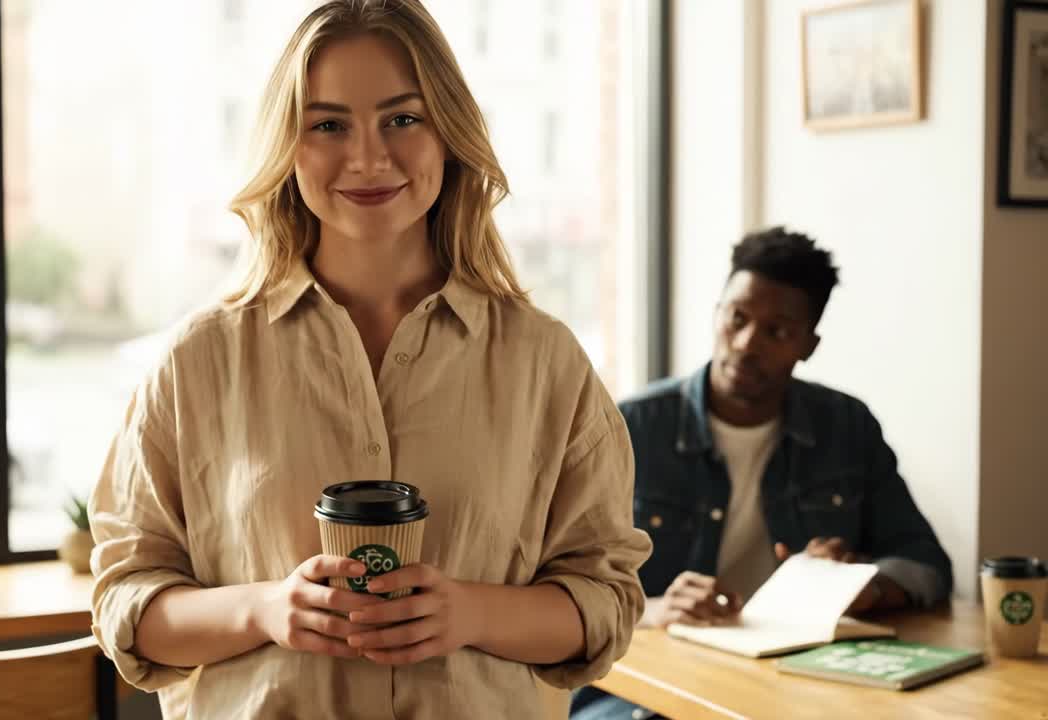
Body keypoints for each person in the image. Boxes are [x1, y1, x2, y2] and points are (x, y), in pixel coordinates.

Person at [88, 2, 653, 718]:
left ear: (447, 132)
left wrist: (471, 614)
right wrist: (264, 610)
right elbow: (126, 603)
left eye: (402, 118)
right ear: (288, 147)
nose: (367, 157)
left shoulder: (546, 362)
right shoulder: (196, 363)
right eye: (328, 125)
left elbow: (606, 601)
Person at [570, 227, 953, 720]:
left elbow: (926, 564)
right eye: (738, 318)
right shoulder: (632, 427)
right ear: (718, 315)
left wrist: (862, 586)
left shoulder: (846, 427)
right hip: (642, 691)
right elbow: (562, 582)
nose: (748, 344)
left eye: (776, 331)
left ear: (808, 345)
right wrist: (654, 609)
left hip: (796, 684)